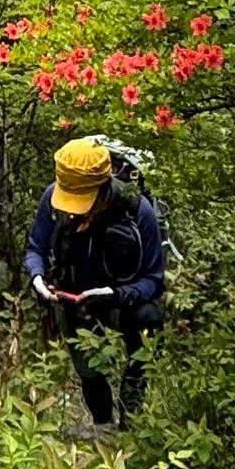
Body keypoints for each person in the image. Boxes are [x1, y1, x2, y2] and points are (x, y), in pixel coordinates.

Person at [24, 137, 165, 428]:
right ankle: (103, 426)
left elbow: (154, 279)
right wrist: (37, 277)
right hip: (75, 296)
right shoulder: (52, 199)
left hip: (122, 300)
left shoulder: (137, 210)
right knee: (87, 367)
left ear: (102, 186)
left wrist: (116, 294)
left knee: (150, 319)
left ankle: (131, 420)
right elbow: (36, 247)